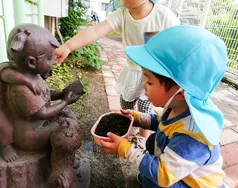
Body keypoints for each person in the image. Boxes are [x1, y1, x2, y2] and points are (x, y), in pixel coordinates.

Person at [100, 25, 227, 187]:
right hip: (176, 169)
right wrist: (136, 118)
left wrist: (125, 149)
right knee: (152, 141)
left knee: (158, 180)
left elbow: (163, 175)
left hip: (191, 183)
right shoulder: (179, 106)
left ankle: (149, 180)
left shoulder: (193, 137)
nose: (143, 86)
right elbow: (159, 121)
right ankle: (148, 177)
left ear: (180, 93)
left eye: (149, 81)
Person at [55, 0, 180, 139]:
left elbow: (179, 45)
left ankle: (142, 138)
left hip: (154, 74)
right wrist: (68, 46)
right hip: (132, 70)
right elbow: (95, 31)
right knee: (126, 104)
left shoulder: (164, 16)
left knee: (146, 107)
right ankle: (126, 132)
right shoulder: (121, 15)